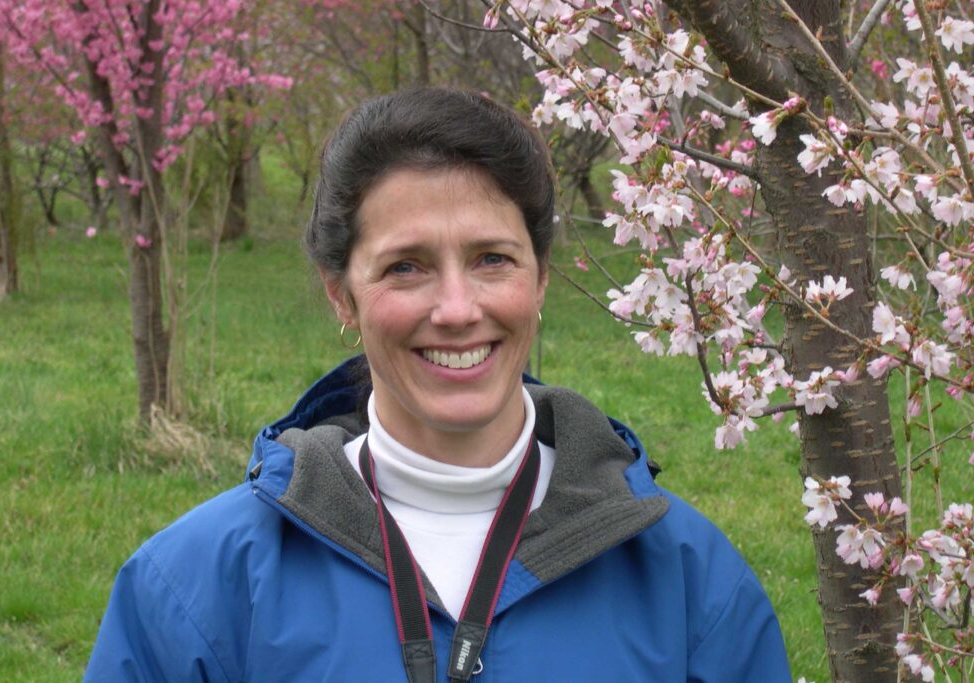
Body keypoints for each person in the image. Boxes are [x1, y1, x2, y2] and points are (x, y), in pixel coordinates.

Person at [84, 87, 791, 682]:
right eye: (405, 267)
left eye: (492, 258)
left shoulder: (691, 586)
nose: (456, 309)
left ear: (540, 280)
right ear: (341, 295)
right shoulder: (194, 591)